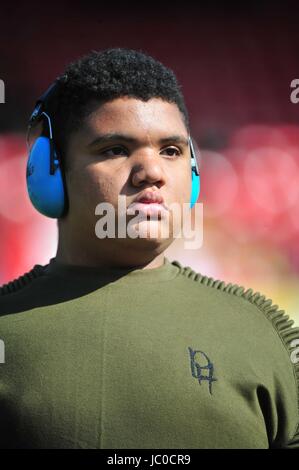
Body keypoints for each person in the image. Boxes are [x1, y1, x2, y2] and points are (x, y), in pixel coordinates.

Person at [0, 48, 298, 449]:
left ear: (192, 175)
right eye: (115, 150)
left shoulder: (268, 333)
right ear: (49, 171)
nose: (153, 173)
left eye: (171, 151)